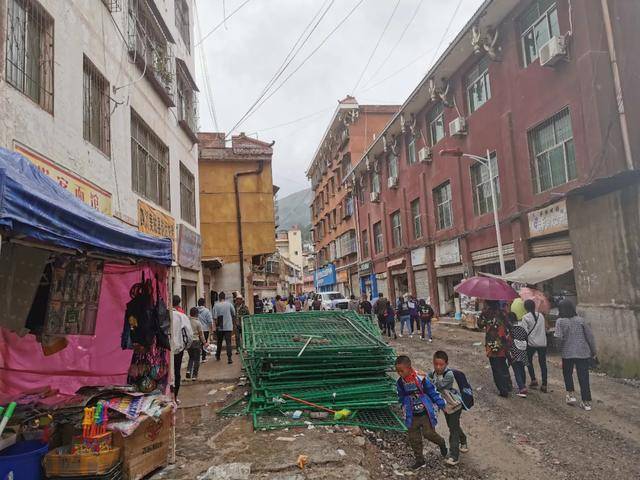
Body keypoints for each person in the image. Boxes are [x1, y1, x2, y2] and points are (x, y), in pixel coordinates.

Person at [395, 355, 448, 470]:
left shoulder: (420, 378)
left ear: (409, 368)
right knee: (414, 438)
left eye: (401, 371)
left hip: (425, 413)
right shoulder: (400, 383)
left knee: (428, 434)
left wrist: (441, 404)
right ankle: (420, 460)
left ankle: (441, 442)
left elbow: (432, 391)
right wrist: (403, 404)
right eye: (397, 371)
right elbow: (400, 395)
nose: (399, 373)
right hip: (411, 414)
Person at [554, 300, 597, 411]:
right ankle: (586, 402)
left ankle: (571, 395)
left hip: (567, 352)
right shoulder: (581, 320)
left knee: (567, 374)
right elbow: (590, 337)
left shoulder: (560, 321)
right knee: (583, 377)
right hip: (582, 352)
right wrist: (593, 351)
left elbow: (558, 338)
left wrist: (558, 349)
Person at [429, 351, 468, 466]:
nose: (438, 367)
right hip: (445, 406)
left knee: (453, 429)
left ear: (446, 364)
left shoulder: (449, 375)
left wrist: (428, 380)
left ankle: (454, 456)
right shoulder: (433, 373)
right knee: (453, 426)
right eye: (436, 364)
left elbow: (436, 386)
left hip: (455, 406)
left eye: (441, 365)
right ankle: (464, 439)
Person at [477, 301, 512, 397]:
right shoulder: (502, 313)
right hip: (502, 342)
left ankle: (503, 390)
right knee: (503, 364)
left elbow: (479, 325)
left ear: (487, 303)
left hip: (492, 344)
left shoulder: (486, 313)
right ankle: (508, 385)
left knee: (496, 368)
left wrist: (482, 316)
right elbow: (509, 325)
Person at [521, 299, 548, 392]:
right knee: (543, 363)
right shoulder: (541, 316)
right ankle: (544, 384)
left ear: (525, 308)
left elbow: (524, 332)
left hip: (531, 343)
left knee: (528, 361)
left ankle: (533, 379)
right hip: (542, 343)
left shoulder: (525, 317)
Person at [170, 295, 192, 403]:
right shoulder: (181, 316)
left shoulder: (164, 314)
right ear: (179, 303)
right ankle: (174, 398)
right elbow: (189, 334)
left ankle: (166, 397)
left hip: (164, 350)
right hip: (178, 349)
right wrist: (186, 346)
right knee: (176, 372)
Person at [507, 312, 529, 398]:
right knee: (522, 368)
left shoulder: (510, 330)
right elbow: (526, 339)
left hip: (514, 352)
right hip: (523, 350)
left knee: (516, 370)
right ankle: (523, 384)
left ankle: (522, 387)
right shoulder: (521, 327)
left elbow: (509, 342)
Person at [212, 292, 236, 364]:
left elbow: (215, 317)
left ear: (219, 298)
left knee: (219, 342)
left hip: (220, 325)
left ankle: (218, 355)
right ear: (224, 297)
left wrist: (215, 326)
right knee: (228, 342)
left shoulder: (216, 305)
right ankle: (229, 358)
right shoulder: (229, 304)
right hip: (228, 326)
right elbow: (233, 313)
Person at [187, 307, 207, 381]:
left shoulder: (187, 321)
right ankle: (194, 375)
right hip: (196, 342)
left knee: (191, 357)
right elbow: (201, 334)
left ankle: (188, 370)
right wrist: (204, 342)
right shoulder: (198, 323)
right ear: (197, 314)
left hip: (189, 342)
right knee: (197, 359)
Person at [197, 298, 212, 362]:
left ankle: (198, 357)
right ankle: (203, 358)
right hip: (205, 329)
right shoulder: (207, 311)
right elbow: (210, 321)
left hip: (197, 329)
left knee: (198, 343)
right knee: (204, 343)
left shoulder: (195, 310)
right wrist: (210, 328)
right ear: (204, 303)